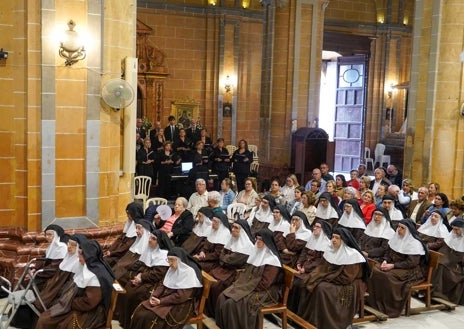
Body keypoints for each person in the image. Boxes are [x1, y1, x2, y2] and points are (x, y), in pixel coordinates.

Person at [296, 228, 369, 329]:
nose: (333, 240)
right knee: (308, 281)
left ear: (344, 240)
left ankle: (323, 322)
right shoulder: (331, 250)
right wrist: (316, 276)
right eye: (333, 237)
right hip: (333, 279)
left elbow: (346, 278)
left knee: (321, 289)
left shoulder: (353, 255)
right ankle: (308, 319)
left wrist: (323, 277)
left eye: (337, 238)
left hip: (350, 284)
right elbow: (322, 267)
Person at [36, 239, 115, 329]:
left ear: (89, 256)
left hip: (90, 312)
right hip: (78, 305)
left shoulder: (94, 276)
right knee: (46, 316)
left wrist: (71, 301)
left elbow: (89, 303)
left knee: (49, 321)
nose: (78, 256)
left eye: (81, 254)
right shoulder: (87, 268)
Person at [215, 228, 282, 329]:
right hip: (249, 286)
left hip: (266, 291)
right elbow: (247, 274)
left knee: (233, 303)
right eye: (257, 239)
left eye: (261, 239)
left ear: (267, 242)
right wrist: (241, 286)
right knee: (222, 297)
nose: (258, 241)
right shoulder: (256, 253)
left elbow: (265, 283)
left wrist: (244, 289)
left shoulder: (272, 260)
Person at [367, 219, 428, 318]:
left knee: (387, 276)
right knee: (374, 270)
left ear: (408, 230)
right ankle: (374, 302)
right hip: (394, 265)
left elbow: (412, 263)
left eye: (402, 228)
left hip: (410, 270)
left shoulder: (414, 243)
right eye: (398, 227)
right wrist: (385, 261)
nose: (399, 229)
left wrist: (393, 266)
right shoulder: (396, 237)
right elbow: (388, 253)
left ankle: (389, 307)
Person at [130, 247, 203, 329]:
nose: (170, 263)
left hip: (181, 304)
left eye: (172, 260)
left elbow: (181, 296)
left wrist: (161, 301)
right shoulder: (172, 267)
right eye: (168, 260)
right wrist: (154, 295)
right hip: (166, 297)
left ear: (179, 260)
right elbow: (162, 283)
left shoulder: (189, 273)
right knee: (140, 311)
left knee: (149, 317)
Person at [119, 229, 173, 329]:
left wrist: (141, 278)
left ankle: (133, 323)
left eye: (153, 239)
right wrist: (139, 275)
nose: (149, 240)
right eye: (150, 237)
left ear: (159, 242)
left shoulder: (163, 255)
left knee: (134, 293)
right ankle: (124, 321)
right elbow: (143, 265)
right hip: (145, 277)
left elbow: (158, 274)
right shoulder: (149, 249)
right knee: (127, 287)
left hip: (155, 283)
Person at [207, 219, 255, 317]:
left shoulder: (246, 246)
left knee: (216, 286)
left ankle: (216, 313)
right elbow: (222, 257)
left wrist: (224, 259)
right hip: (224, 269)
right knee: (209, 277)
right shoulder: (232, 240)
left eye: (236, 228)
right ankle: (207, 311)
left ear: (243, 231)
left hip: (234, 274)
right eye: (232, 227)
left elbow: (230, 261)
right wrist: (224, 259)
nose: (233, 229)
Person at [288, 220, 332, 312]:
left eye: (318, 227)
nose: (314, 228)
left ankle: (298, 312)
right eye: (314, 226)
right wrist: (299, 263)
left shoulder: (326, 244)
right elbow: (303, 253)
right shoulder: (311, 239)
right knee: (291, 279)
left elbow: (320, 262)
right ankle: (289, 309)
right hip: (303, 268)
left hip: (314, 271)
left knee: (300, 283)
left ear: (323, 230)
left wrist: (305, 269)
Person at [35, 234, 87, 312]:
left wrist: (55, 292)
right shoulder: (67, 258)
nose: (69, 246)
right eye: (68, 243)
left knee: (42, 304)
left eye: (73, 245)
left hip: (62, 295)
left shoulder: (78, 263)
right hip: (54, 288)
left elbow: (70, 286)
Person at [431, 218, 464, 305]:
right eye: (453, 229)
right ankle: (432, 291)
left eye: (456, 229)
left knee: (442, 267)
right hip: (448, 261)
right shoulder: (452, 235)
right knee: (437, 263)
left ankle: (438, 294)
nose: (454, 231)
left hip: (458, 267)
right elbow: (444, 250)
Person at [113, 219, 152, 286]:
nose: (136, 231)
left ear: (146, 231)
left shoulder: (149, 249)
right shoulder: (136, 243)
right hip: (123, 269)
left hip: (132, 273)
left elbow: (138, 266)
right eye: (136, 228)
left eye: (139, 228)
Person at [30, 225, 69, 290]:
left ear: (57, 235)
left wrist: (36, 273)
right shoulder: (51, 246)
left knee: (29, 281)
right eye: (46, 235)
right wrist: (35, 268)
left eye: (50, 235)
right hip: (46, 272)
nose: (47, 237)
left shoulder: (62, 248)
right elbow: (44, 259)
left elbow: (55, 267)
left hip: (55, 276)